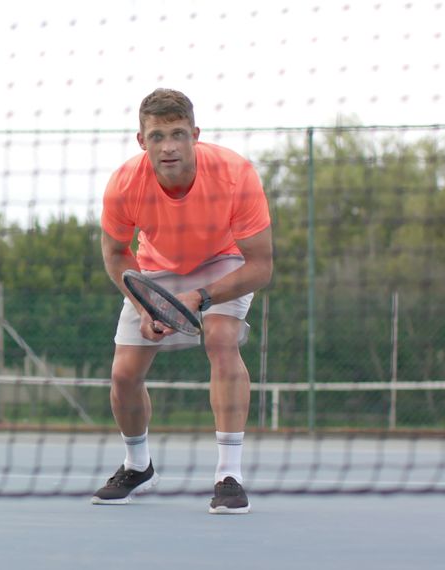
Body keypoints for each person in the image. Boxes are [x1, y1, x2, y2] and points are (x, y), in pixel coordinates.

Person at [93, 89, 273, 513]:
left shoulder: (234, 174)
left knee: (220, 339)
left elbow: (261, 266)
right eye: (157, 136)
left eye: (177, 134)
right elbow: (116, 254)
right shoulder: (123, 185)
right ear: (141, 140)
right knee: (122, 376)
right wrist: (144, 305)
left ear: (195, 135)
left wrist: (199, 297)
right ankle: (138, 466)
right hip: (156, 269)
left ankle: (229, 475)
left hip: (223, 261)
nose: (168, 146)